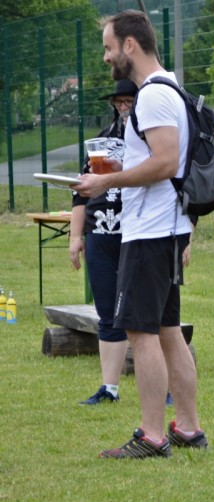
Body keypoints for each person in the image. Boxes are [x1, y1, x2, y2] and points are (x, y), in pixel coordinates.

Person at [73, 10, 206, 458]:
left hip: (150, 232)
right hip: (164, 229)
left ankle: (152, 435)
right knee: (167, 329)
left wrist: (105, 182)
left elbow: (165, 162)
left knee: (141, 331)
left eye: (109, 47)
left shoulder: (152, 95)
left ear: (130, 45)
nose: (106, 57)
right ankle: (187, 427)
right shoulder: (168, 88)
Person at [68, 78, 137, 405]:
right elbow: (80, 193)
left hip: (139, 236)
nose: (123, 108)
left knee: (148, 315)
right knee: (107, 312)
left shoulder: (151, 141)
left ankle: (164, 386)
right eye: (118, 102)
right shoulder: (102, 141)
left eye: (129, 102)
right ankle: (109, 388)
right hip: (100, 235)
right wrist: (75, 236)